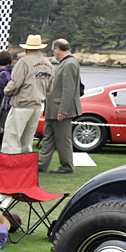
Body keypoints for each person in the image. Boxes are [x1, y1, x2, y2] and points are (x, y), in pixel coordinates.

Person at [2, 34, 54, 154]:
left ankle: (11, 166)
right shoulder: (48, 65)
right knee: (27, 140)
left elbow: (15, 83)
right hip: (36, 106)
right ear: (40, 48)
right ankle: (25, 167)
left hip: (22, 105)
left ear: (26, 49)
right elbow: (50, 88)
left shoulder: (24, 62)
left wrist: (6, 90)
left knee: (12, 138)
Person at [37, 39, 82, 173]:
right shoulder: (65, 63)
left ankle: (67, 166)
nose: (52, 51)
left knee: (63, 139)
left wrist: (63, 110)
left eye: (53, 49)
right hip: (52, 108)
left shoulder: (70, 64)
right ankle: (41, 165)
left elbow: (69, 89)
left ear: (57, 49)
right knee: (48, 138)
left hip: (60, 109)